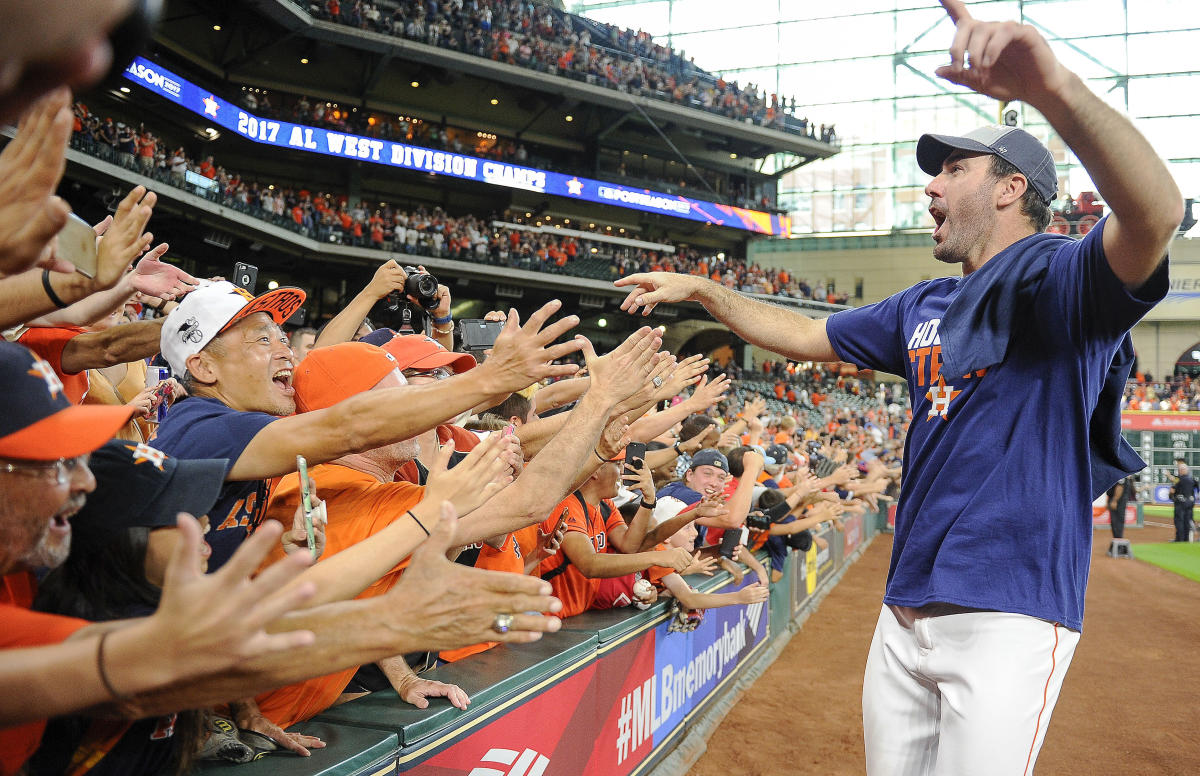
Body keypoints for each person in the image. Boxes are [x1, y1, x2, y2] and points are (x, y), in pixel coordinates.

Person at [615, 1, 1181, 771]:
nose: (931, 188)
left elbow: (1156, 215)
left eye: (953, 169)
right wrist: (708, 294)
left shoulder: (1062, 276)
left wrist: (1055, 91)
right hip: (906, 605)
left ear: (1012, 187)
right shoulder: (923, 303)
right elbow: (808, 336)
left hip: (1008, 609)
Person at [1169, 460, 1196, 542]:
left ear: (1180, 471)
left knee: (1179, 520)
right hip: (1190, 502)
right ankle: (1186, 539)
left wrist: (1171, 496)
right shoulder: (1192, 479)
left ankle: (1179, 539)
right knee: (1187, 520)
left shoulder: (1178, 479)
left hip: (1180, 502)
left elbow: (1172, 490)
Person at [1106, 473, 1134, 540]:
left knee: (1117, 521)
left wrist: (1114, 500)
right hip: (1118, 500)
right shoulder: (1122, 475)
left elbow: (1120, 487)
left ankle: (1118, 540)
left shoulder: (1121, 475)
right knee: (1116, 521)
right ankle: (1117, 539)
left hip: (1118, 501)